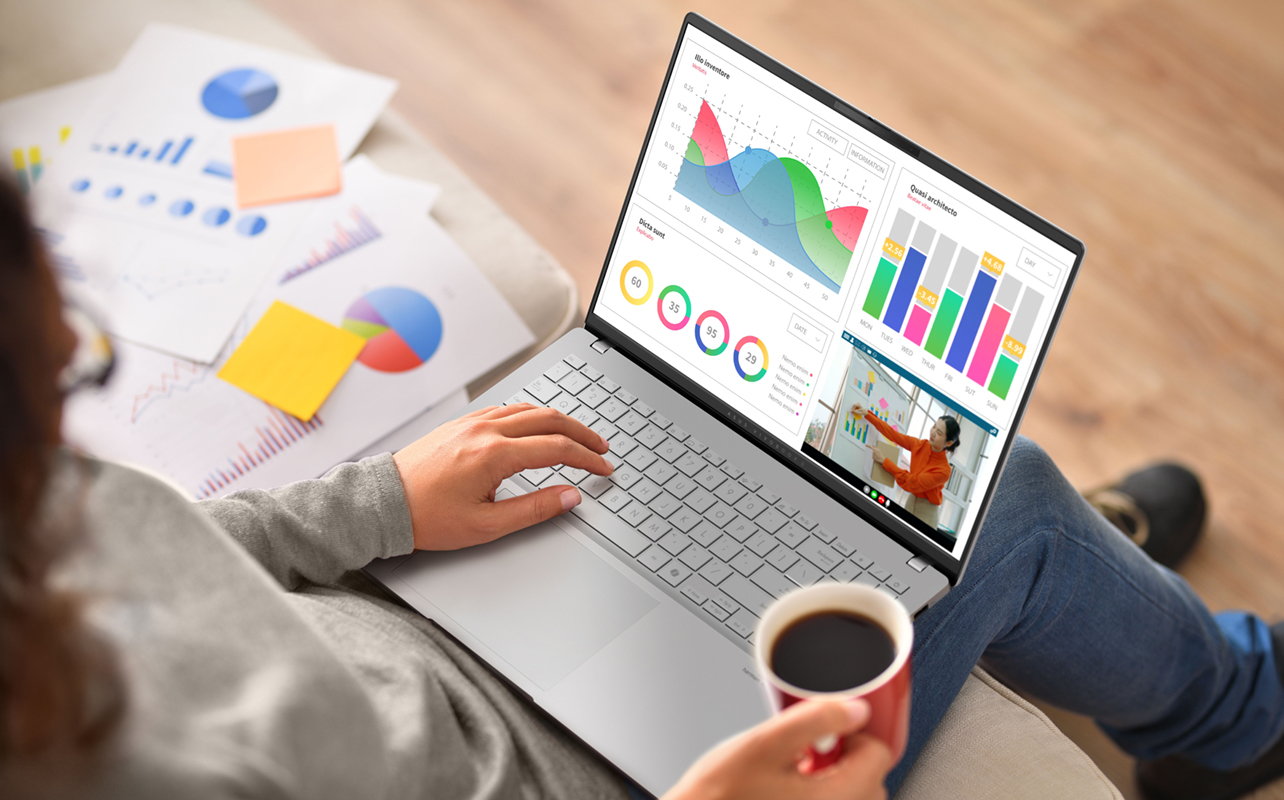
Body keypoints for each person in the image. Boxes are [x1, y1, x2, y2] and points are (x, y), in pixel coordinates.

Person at [1, 176, 1282, 800]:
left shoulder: (23, 503)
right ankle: (1232, 713)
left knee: (820, 462)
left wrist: (381, 501)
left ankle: (1056, 590)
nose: (73, 381)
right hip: (617, 771)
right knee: (997, 500)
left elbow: (157, 552)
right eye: (55, 376)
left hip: (426, 615)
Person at [850, 402, 958, 529]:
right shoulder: (920, 445)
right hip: (911, 501)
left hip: (927, 512)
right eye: (934, 427)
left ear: (949, 442)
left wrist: (885, 461)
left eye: (939, 433)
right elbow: (893, 435)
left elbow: (912, 483)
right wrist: (868, 415)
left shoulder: (944, 471)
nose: (933, 432)